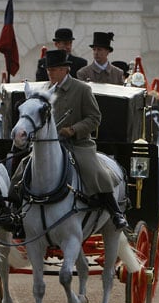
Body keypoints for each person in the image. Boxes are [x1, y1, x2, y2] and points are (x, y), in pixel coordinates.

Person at [12, 49, 128, 230]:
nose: (50, 72)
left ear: (65, 69)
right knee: (21, 170)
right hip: (46, 146)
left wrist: (73, 130)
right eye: (49, 69)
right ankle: (15, 212)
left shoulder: (81, 89)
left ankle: (115, 212)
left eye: (54, 69)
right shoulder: (42, 91)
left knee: (95, 171)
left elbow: (94, 117)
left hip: (77, 144)